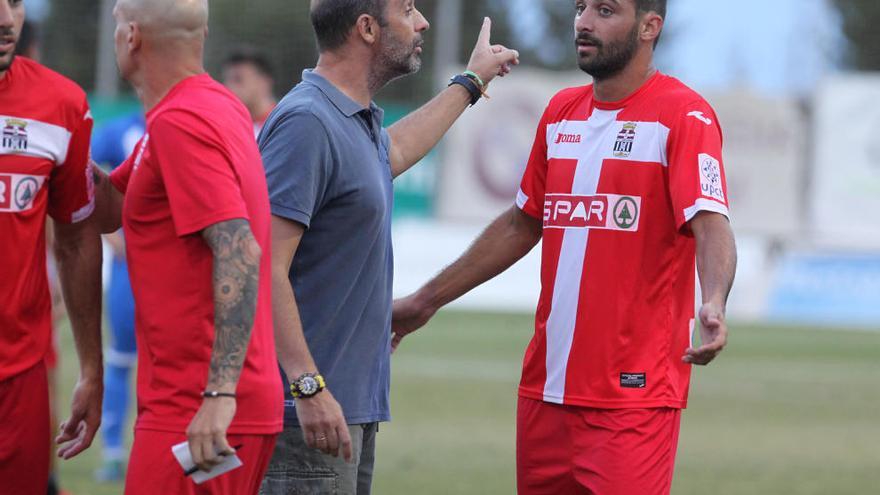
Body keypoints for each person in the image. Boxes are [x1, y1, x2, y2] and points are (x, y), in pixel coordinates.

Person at [391, 1, 738, 494]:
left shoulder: (684, 114)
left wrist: (715, 300)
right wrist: (424, 301)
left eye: (605, 10)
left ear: (649, 27)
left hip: (631, 400)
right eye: (580, 8)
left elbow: (711, 222)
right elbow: (520, 225)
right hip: (545, 392)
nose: (584, 22)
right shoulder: (560, 113)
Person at [257, 1, 519, 493]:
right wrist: (306, 385)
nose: (421, 22)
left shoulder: (353, 118)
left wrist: (472, 82)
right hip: (306, 419)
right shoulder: (307, 122)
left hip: (344, 411)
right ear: (368, 28)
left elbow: (393, 152)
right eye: (408, 9)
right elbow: (263, 267)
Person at [91, 0, 282, 493]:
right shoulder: (205, 105)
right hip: (202, 404)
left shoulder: (181, 122)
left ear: (132, 37)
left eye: (115, 26)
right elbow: (112, 206)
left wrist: (219, 395)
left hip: (200, 409)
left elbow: (239, 249)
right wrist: (60, 144)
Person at [0, 1, 105, 494]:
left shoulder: (61, 104)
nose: (5, 20)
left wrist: (91, 368)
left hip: (19, 376)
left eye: (16, 2)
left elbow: (77, 238)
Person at [90, 110, 145, 483]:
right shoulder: (123, 129)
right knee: (121, 359)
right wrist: (109, 234)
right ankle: (112, 453)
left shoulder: (191, 123)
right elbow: (84, 172)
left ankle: (159, 451)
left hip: (175, 276)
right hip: (129, 272)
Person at [221, 47, 277, 137]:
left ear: (263, 82)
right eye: (227, 80)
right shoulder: (228, 128)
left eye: (238, 79)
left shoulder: (282, 125)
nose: (229, 87)